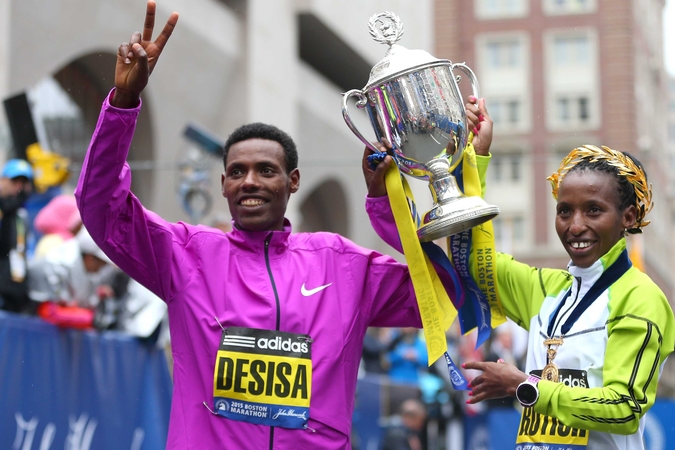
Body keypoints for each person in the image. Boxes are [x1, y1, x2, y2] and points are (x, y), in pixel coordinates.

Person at [74, 2, 428, 447]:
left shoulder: (342, 265)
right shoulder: (186, 254)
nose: (250, 182)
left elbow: (441, 294)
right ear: (223, 184)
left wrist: (388, 205)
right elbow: (100, 206)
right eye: (237, 172)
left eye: (266, 170)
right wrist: (123, 103)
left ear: (292, 181)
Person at [363, 97, 675, 449]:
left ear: (628, 217)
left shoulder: (641, 298)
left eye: (593, 210)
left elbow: (623, 408)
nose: (575, 226)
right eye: (564, 211)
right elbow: (472, 262)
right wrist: (472, 160)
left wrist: (524, 386)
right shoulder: (547, 288)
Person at [0, 159, 34, 313]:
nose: (19, 187)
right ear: (2, 180)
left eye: (23, 183)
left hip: (13, 292)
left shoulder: (22, 215)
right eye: (15, 181)